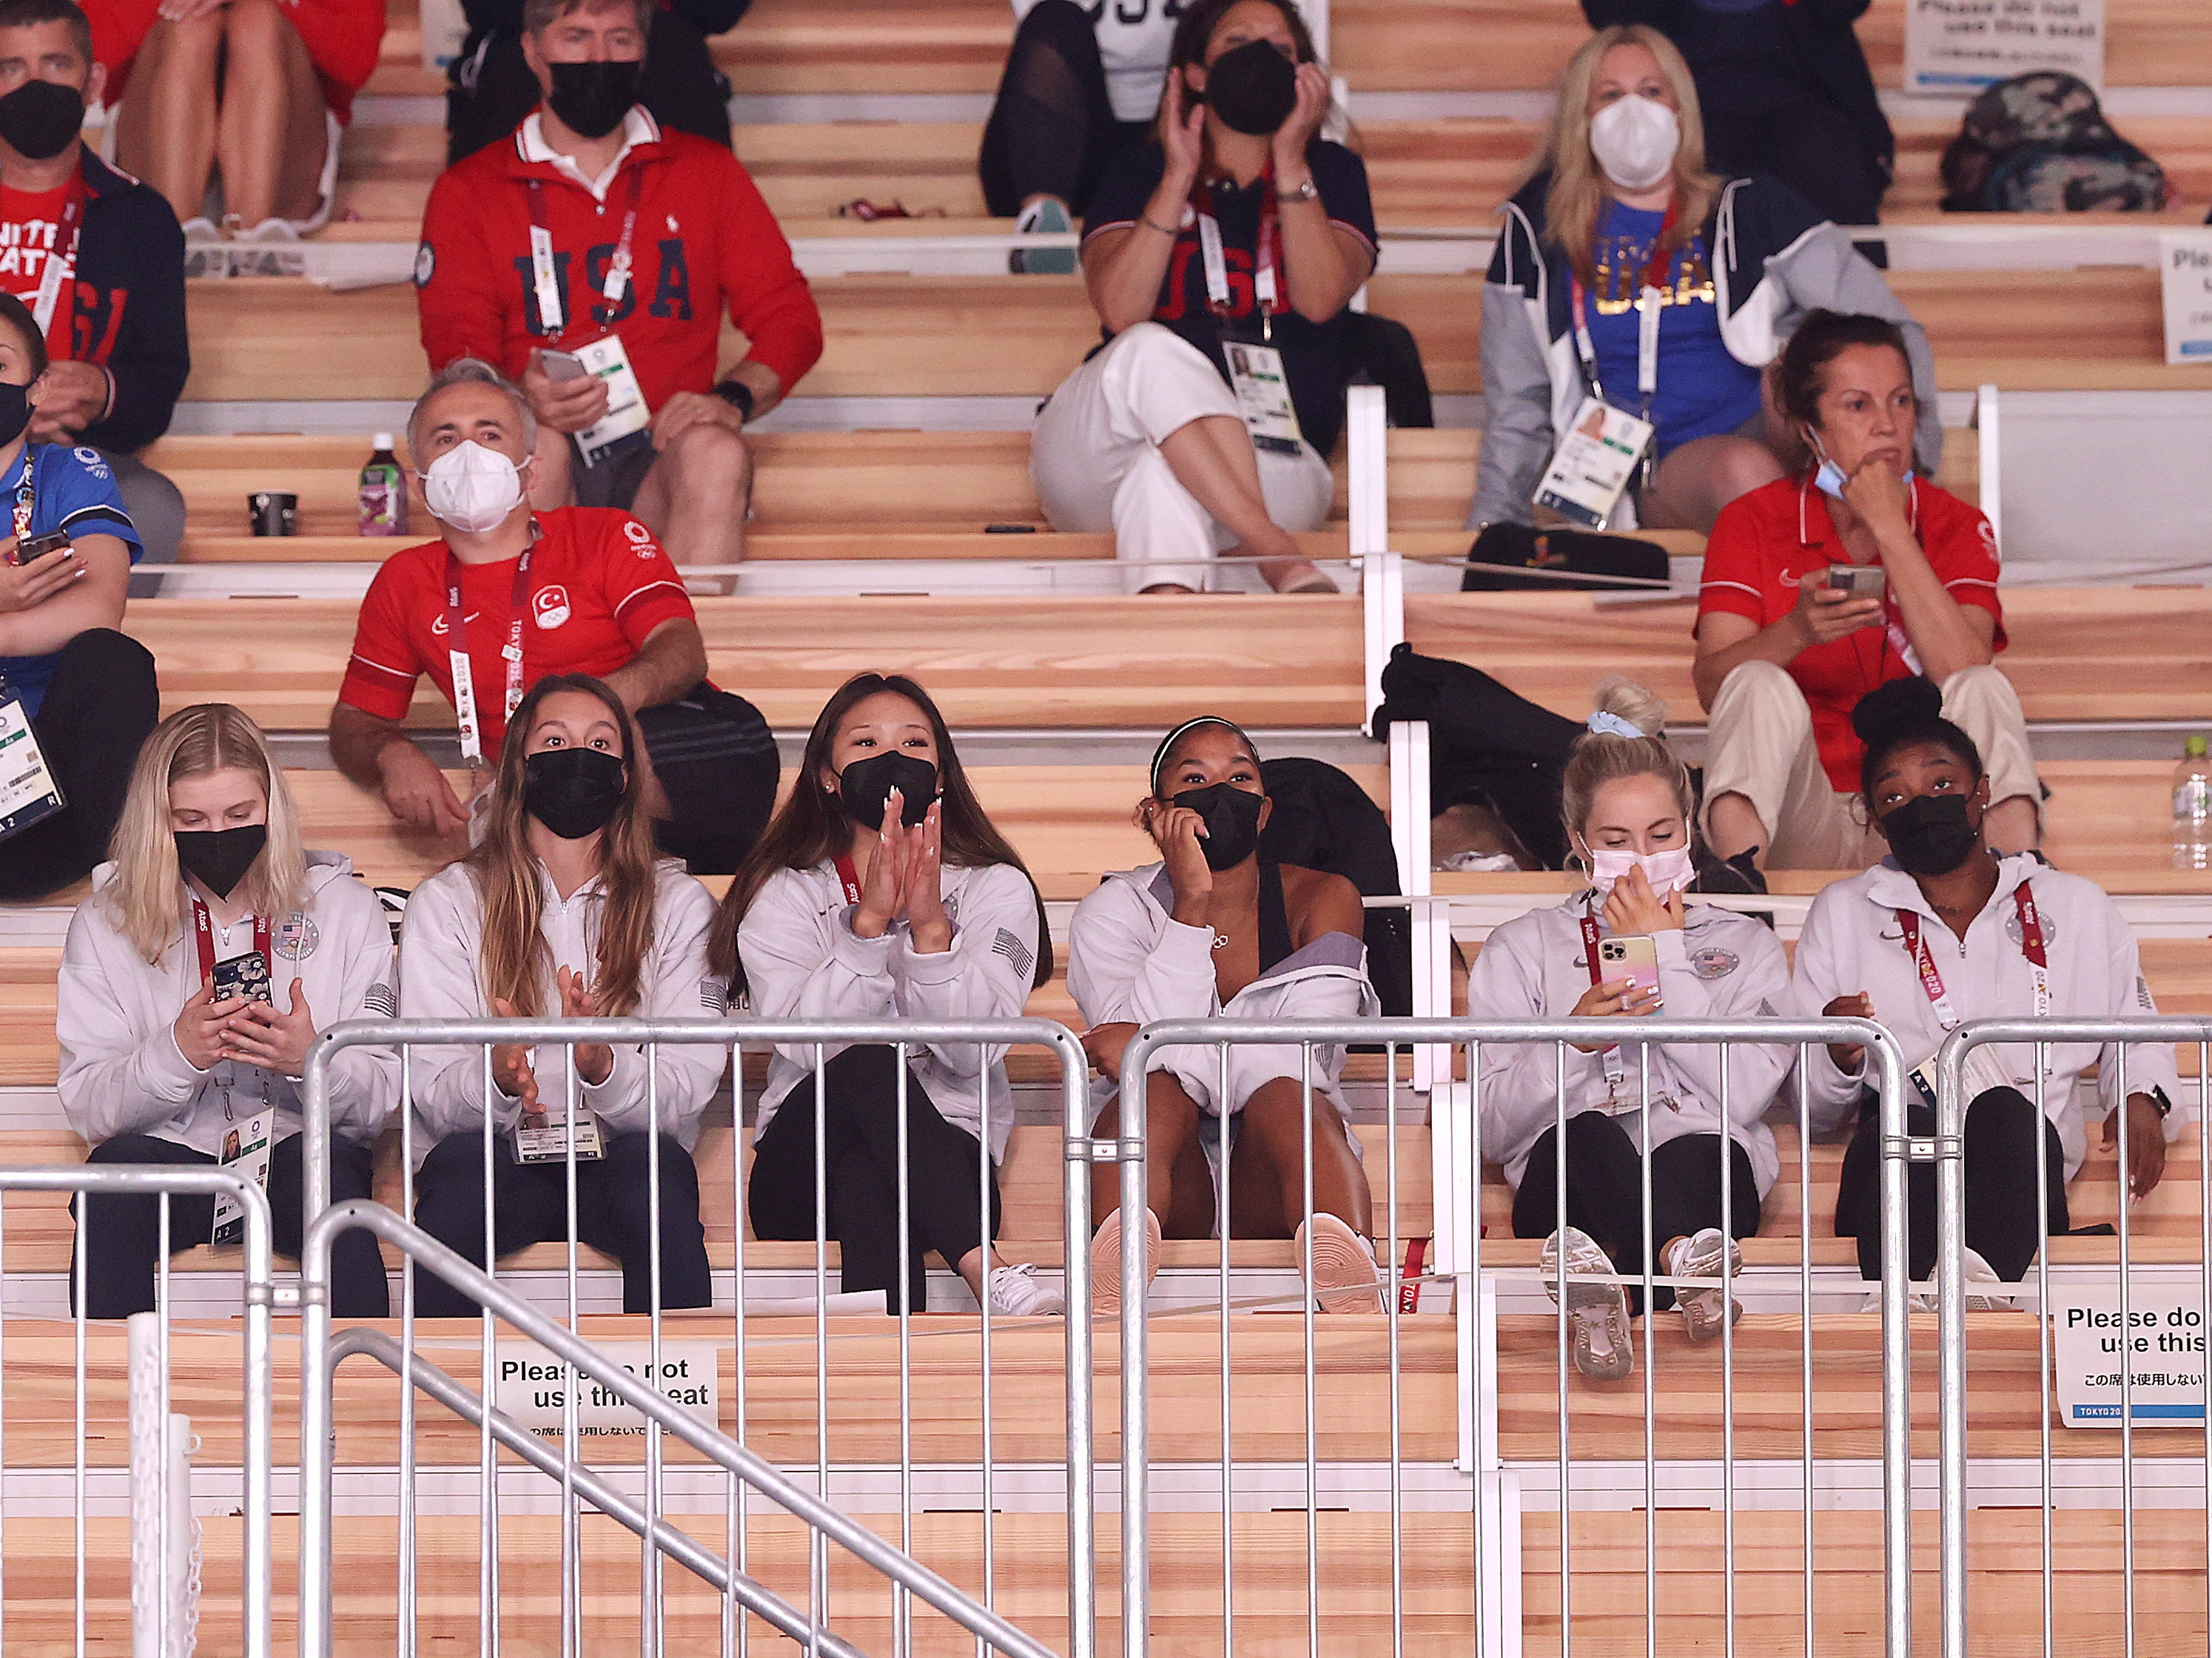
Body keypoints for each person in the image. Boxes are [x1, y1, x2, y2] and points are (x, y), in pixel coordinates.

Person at [1789, 676, 2179, 1300]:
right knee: (1903, 1129)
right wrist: (1837, 1055)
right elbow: (1814, 1108)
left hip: (2024, 1182)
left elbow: (2137, 1028)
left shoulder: (2072, 904)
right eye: (1894, 796)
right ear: (1875, 822)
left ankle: (1968, 1293)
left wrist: (2141, 1099)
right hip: (1894, 1178)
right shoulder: (1841, 911)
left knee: (2002, 1113)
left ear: (1982, 791)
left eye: (1941, 784)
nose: (1920, 805)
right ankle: (1922, 1297)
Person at [1467, 24, 1937, 541]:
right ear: (1580, 118)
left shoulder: (1750, 207)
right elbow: (1518, 400)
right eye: (1609, 95)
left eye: (1650, 91)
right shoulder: (1537, 230)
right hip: (1657, 459)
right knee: (1743, 470)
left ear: (1679, 107)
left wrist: (1923, 456)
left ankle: (1896, 548)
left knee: (1817, 379)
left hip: (1774, 424)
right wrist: (1490, 533)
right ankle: (1822, 606)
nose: (1633, 111)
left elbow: (1887, 331)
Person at [414, 0, 823, 566]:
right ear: (533, 52)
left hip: (661, 451)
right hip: (543, 448)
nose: (599, 57)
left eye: (620, 39)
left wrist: (730, 399)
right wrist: (517, 401)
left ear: (644, 51)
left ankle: (683, 653)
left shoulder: (708, 172)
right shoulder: (469, 190)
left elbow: (790, 319)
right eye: (576, 38)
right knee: (535, 452)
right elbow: (456, 349)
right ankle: (536, 649)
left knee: (714, 449)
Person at [329, 360, 778, 875]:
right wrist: (392, 755)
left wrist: (588, 711)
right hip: (533, 792)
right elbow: (353, 723)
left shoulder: (605, 533)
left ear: (532, 470)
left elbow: (680, 648)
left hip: (656, 756)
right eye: (446, 439)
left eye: (490, 434)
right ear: (418, 483)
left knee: (594, 741)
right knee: (554, 772)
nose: (469, 454)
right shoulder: (404, 579)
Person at [1465, 678, 1790, 1382]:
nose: (1640, 857)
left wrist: (1665, 955)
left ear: (1691, 828)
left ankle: (1610, 1292)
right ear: (1579, 842)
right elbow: (1491, 1128)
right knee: (1585, 1139)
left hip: (1705, 1165)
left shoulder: (1746, 943)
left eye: (1661, 835)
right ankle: (1678, 1263)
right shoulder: (1520, 946)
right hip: (1568, 1181)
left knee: (1702, 1151)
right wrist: (1569, 1043)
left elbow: (1747, 1096)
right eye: (1615, 840)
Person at [716, 673, 1062, 1318]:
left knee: (870, 1180)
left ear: (940, 768)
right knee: (869, 1062)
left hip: (948, 1160)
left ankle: (880, 1384)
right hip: (799, 1164)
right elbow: (809, 1044)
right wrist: (867, 927)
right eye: (867, 743)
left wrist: (933, 931)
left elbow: (970, 1057)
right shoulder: (784, 890)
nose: (892, 759)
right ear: (826, 773)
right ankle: (988, 1272)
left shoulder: (995, 887)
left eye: (913, 742)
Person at [56, 704, 397, 1318]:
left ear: (272, 806)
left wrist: (309, 1061)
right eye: (192, 818)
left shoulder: (347, 907)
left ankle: (363, 1398)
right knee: (108, 1183)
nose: (219, 833)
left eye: (240, 814)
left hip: (299, 1147)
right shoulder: (105, 921)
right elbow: (89, 1105)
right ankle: (113, 1404)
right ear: (159, 822)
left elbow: (386, 1093)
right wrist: (177, 1052)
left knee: (335, 1184)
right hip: (172, 1148)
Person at [400, 672, 721, 1318]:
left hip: (620, 1159)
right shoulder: (450, 901)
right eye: (555, 740)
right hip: (502, 1155)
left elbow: (690, 1080)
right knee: (460, 1171)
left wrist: (605, 1069)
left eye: (602, 744)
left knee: (656, 1172)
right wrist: (493, 1077)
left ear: (625, 776)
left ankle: (676, 1409)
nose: (579, 757)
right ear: (520, 767)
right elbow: (430, 1086)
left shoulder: (681, 904)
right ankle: (435, 1407)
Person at [1031, 0, 1374, 596]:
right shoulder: (1137, 171)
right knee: (1144, 348)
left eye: (1281, 48)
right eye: (1238, 41)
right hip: (1099, 464)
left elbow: (1320, 300)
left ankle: (1168, 642)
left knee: (1159, 471)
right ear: (1195, 73)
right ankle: (1275, 552)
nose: (1260, 57)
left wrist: (1291, 159)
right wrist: (1174, 177)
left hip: (1276, 460)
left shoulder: (1333, 172)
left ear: (1307, 75)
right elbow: (1118, 309)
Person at [1694, 309, 2036, 872]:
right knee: (1753, 680)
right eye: (1857, 405)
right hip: (1804, 814)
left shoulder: (1954, 522)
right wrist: (1795, 631)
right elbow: (1712, 685)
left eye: (1900, 401)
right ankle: (1738, 890)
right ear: (1809, 427)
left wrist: (1889, 528)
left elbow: (1964, 665)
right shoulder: (1750, 521)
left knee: (1983, 686)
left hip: (1926, 815)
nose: (1886, 424)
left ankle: (2023, 884)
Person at [1069, 715, 1382, 1314]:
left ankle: (1352, 1285)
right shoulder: (1112, 911)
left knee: (1285, 1095)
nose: (1220, 793)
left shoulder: (1324, 897)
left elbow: (1306, 1057)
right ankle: (1110, 1285)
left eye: (1239, 777)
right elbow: (1129, 1069)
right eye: (1195, 777)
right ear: (1152, 813)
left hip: (1277, 1167)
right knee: (1151, 1094)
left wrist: (1158, 1044)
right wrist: (1190, 903)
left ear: (1263, 812)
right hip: (1170, 1175)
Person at [0, 0, 187, 565]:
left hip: (72, 466)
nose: (34, 85)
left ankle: (66, 645)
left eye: (56, 64)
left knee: (152, 508)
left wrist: (101, 390)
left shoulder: (142, 218)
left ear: (94, 81)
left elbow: (159, 384)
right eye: (10, 69)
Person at [0, 289, 160, 901]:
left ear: (36, 388)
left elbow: (99, 607)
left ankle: (120, 893)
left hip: (51, 798)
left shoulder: (72, 470)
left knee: (113, 660)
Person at [1581, 0, 1891, 231]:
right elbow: (1609, 12)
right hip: (1679, 95)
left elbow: (1843, 7)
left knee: (1826, 156)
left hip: (1804, 96)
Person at [101, 0, 384, 250]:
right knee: (191, 25)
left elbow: (358, 59)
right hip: (152, 141)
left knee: (257, 20)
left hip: (288, 155)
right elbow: (93, 48)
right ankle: (174, 241)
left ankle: (256, 237)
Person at [979, 0, 1175, 273]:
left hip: (1179, 139)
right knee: (1056, 16)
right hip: (1065, 147)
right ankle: (1044, 221)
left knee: (1229, 26)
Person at [446, 0, 744, 165]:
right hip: (523, 40)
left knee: (669, 44)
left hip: (662, 46)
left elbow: (718, 11)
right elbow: (488, 9)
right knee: (538, 43)